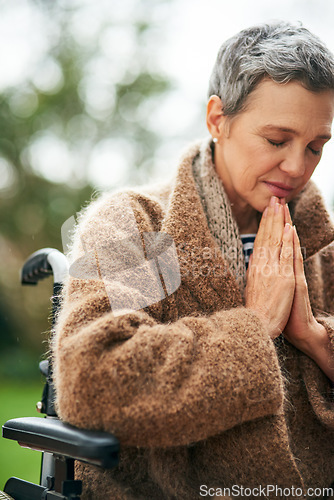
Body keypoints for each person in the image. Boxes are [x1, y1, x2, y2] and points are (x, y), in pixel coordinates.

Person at [53, 21, 334, 499]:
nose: (297, 168)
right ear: (217, 119)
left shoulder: (323, 245)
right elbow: (94, 376)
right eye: (276, 140)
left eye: (315, 147)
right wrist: (253, 325)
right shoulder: (145, 229)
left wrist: (316, 339)